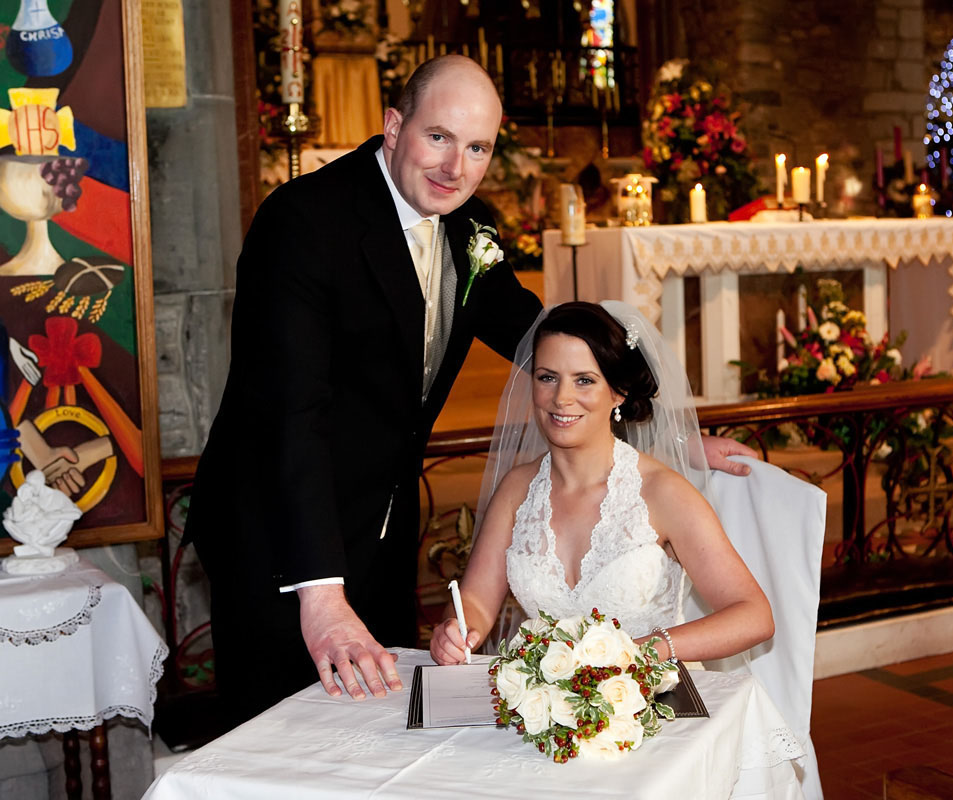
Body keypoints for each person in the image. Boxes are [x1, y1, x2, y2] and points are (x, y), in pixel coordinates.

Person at [186, 56, 755, 726]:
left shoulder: (468, 225)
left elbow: (541, 338)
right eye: (439, 137)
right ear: (393, 126)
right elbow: (291, 415)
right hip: (279, 538)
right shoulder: (304, 223)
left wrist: (664, 435)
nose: (455, 167)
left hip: (382, 527)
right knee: (276, 737)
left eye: (478, 148)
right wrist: (321, 594)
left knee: (381, 728)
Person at [430, 302, 773, 666]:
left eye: (584, 380)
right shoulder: (516, 490)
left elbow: (754, 615)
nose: (561, 398)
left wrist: (641, 652)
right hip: (548, 696)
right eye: (547, 377)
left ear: (618, 391)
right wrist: (456, 630)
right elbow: (476, 601)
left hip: (654, 692)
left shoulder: (662, 493)